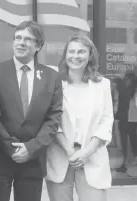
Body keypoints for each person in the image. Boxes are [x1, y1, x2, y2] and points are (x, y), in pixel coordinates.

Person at [0, 20, 63, 201]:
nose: (21, 43)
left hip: (33, 159)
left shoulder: (51, 76)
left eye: (27, 39)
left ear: (38, 45)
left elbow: (54, 117)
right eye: (18, 38)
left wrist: (31, 147)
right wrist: (9, 146)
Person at [45, 35, 114, 201]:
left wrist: (85, 152)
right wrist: (70, 151)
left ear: (90, 54)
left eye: (81, 52)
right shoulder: (54, 83)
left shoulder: (102, 85)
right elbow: (50, 120)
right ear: (65, 54)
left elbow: (106, 121)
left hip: (92, 157)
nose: (75, 56)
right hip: (61, 156)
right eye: (71, 51)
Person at [115, 71, 137, 172]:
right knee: (125, 143)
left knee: (131, 143)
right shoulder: (128, 84)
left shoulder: (133, 84)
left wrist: (120, 81)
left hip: (132, 119)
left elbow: (125, 94)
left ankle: (129, 165)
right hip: (126, 118)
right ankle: (126, 164)